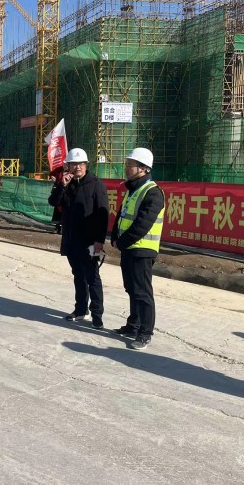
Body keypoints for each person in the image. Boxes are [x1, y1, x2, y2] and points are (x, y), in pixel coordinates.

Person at [111, 147, 165, 350]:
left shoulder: (153, 193)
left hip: (143, 250)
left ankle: (145, 332)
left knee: (142, 292)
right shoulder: (133, 190)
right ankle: (133, 325)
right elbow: (122, 215)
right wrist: (115, 236)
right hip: (130, 248)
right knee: (131, 289)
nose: (126, 168)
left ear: (143, 168)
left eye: (130, 165)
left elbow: (142, 225)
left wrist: (122, 242)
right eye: (127, 165)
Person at [48, 148, 109, 328]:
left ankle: (97, 314)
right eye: (74, 164)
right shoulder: (66, 184)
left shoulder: (96, 185)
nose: (78, 167)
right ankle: (81, 309)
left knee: (92, 277)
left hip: (90, 241)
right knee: (78, 275)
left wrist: (99, 241)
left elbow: (103, 215)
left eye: (81, 164)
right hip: (71, 239)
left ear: (86, 165)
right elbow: (53, 202)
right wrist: (61, 185)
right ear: (68, 166)